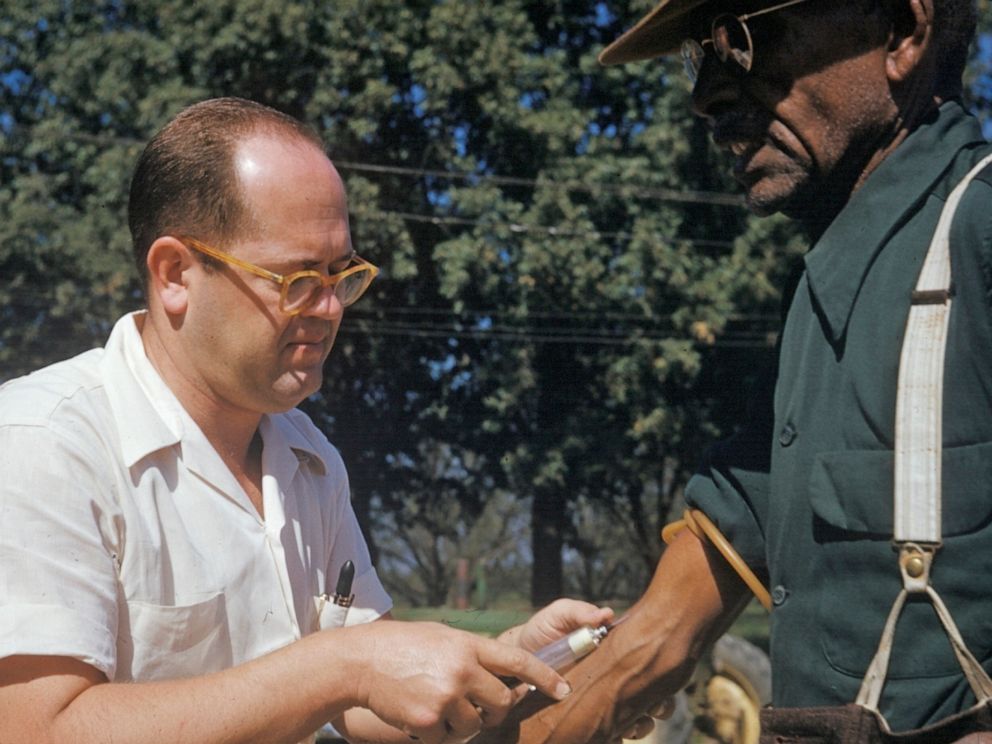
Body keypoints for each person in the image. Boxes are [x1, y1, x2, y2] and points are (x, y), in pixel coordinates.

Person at [0, 96, 612, 744]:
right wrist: (338, 666)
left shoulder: (308, 458)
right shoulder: (43, 447)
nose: (328, 308)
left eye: (340, 274)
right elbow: (36, 728)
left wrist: (507, 665)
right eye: (293, 279)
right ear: (175, 273)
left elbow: (368, 695)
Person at [487, 0, 992, 741]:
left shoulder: (977, 233)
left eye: (743, 38)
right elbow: (652, 644)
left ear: (903, 33)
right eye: (700, 53)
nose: (706, 95)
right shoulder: (824, 300)